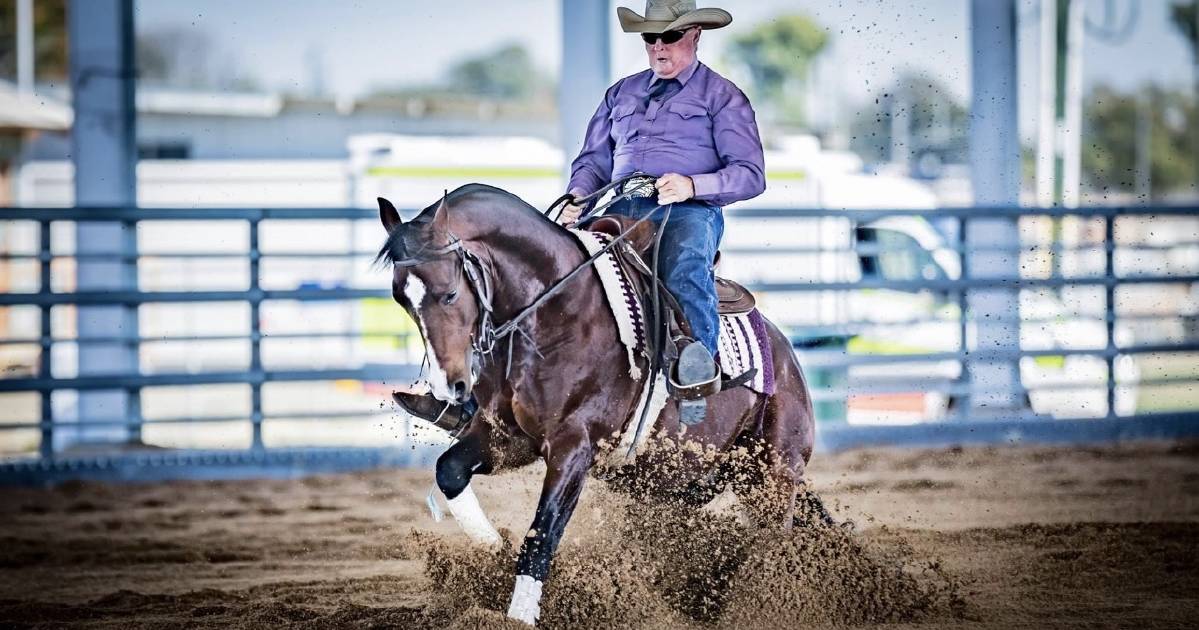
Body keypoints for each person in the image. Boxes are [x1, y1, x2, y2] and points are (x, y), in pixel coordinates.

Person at [560, 0, 766, 423]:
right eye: (650, 37)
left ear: (694, 36)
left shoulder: (723, 96)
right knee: (561, 264)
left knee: (685, 265)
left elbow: (750, 174)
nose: (658, 47)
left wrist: (694, 185)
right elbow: (594, 160)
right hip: (618, 205)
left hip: (690, 211)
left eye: (669, 36)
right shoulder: (620, 93)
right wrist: (576, 196)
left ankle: (697, 373)